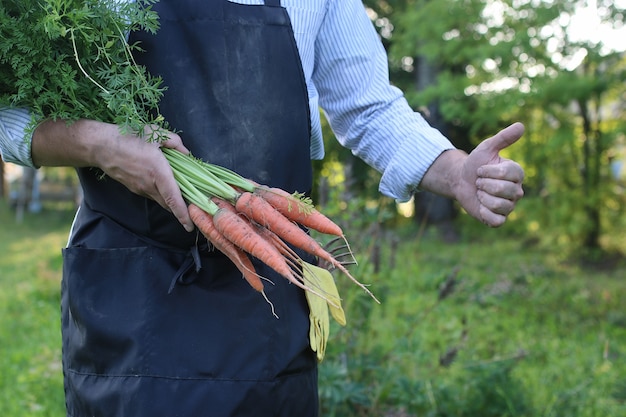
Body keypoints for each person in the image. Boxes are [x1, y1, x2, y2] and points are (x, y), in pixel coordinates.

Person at [0, 0, 525, 416]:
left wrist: (455, 171)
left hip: (269, 293)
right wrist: (99, 144)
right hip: (134, 302)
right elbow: (8, 113)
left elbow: (368, 106)